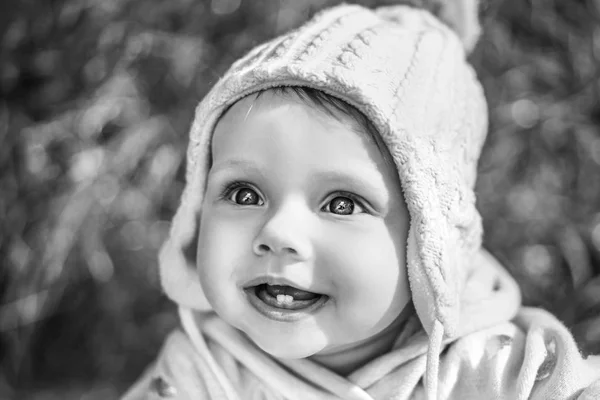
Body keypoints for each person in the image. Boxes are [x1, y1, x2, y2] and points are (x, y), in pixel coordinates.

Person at [123, 1, 600, 399]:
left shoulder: (495, 372)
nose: (278, 234)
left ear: (430, 241)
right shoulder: (197, 375)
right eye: (244, 193)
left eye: (342, 203)